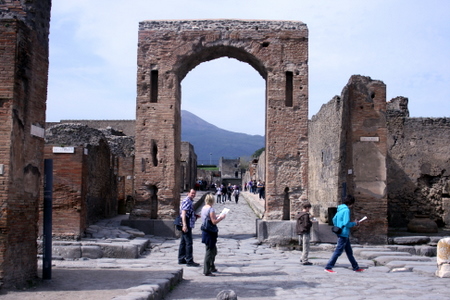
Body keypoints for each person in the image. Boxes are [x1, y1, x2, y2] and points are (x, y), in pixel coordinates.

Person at [324, 195, 364, 273]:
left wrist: (338, 226)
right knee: (338, 251)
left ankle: (355, 267)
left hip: (340, 232)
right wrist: (355, 223)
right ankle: (328, 267)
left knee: (349, 252)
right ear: (351, 203)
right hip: (344, 233)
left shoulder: (340, 209)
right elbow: (346, 223)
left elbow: (334, 219)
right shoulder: (346, 210)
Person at [201, 193, 226, 276]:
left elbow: (209, 217)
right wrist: (221, 218)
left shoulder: (204, 208)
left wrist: (217, 215)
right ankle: (206, 270)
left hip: (205, 231)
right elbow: (214, 221)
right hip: (210, 232)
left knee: (213, 250)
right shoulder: (211, 209)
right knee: (209, 251)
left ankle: (212, 266)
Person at [178, 189, 200, 267]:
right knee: (189, 242)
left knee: (183, 242)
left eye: (194, 193)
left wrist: (195, 215)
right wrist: (184, 225)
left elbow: (188, 212)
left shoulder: (189, 201)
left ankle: (181, 259)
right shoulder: (187, 201)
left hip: (187, 222)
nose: (193, 194)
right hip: (186, 223)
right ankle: (189, 260)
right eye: (192, 193)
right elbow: (183, 214)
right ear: (188, 193)